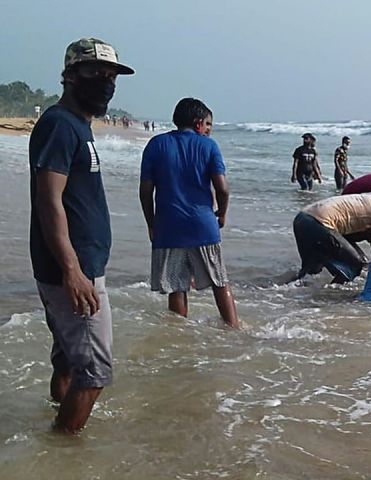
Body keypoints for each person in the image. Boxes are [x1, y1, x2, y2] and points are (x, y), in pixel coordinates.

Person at [29, 38, 134, 433]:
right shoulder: (59, 124)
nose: (105, 82)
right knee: (94, 374)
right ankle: (62, 452)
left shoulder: (77, 125)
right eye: (94, 72)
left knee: (70, 362)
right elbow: (49, 201)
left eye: (111, 76)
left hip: (72, 266)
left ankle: (56, 422)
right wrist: (73, 270)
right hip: (73, 271)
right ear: (70, 75)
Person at [139, 98, 240, 329]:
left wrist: (151, 223)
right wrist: (222, 214)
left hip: (168, 224)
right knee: (219, 281)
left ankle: (180, 334)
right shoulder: (209, 146)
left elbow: (145, 191)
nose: (209, 130)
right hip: (202, 224)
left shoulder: (156, 145)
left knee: (176, 285)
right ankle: (233, 329)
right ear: (197, 124)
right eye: (208, 125)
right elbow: (222, 189)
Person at [293, 176, 371, 283]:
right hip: (318, 223)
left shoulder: (367, 199)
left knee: (311, 270)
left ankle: (288, 293)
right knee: (355, 265)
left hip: (302, 218)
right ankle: (332, 297)